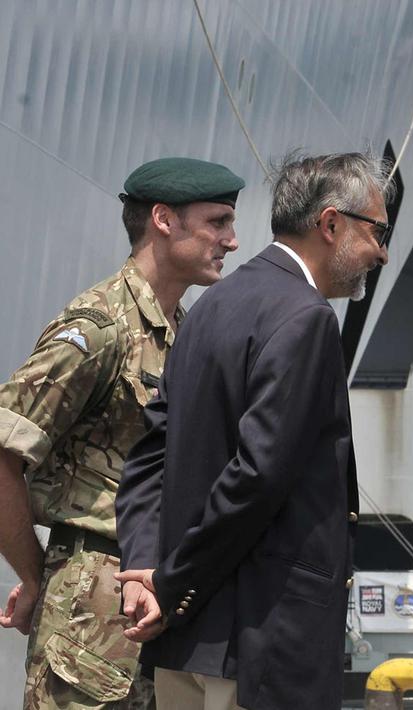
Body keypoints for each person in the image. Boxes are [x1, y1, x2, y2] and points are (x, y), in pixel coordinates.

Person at [113, 152, 390, 710]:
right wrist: (168, 585)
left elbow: (149, 455)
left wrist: (144, 570)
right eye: (377, 231)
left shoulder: (211, 305)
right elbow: (257, 477)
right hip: (261, 645)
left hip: (187, 644)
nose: (380, 252)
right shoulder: (306, 318)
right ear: (331, 224)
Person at [0, 157, 243, 709]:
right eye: (218, 222)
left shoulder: (181, 328)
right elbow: (4, 451)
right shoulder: (99, 327)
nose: (231, 240)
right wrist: (40, 577)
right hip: (91, 608)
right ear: (163, 219)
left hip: (153, 603)